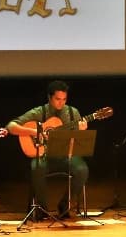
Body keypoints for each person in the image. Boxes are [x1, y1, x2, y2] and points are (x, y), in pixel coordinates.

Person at [7, 80, 89, 218]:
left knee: (82, 170)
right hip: (43, 156)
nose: (61, 103)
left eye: (64, 99)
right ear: (49, 98)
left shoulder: (72, 112)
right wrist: (35, 132)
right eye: (57, 99)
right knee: (37, 168)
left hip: (65, 155)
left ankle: (65, 204)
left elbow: (77, 140)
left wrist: (81, 130)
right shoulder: (39, 112)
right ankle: (42, 208)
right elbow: (11, 127)